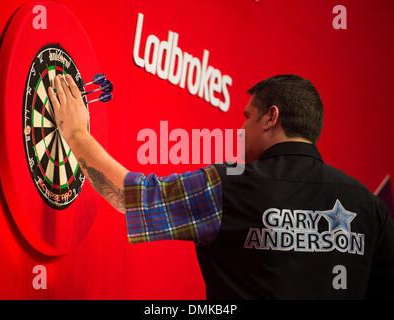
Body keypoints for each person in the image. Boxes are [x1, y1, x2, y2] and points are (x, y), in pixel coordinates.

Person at [48, 73, 394, 299]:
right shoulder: (369, 206)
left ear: (271, 117)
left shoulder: (231, 185)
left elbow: (132, 197)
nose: (240, 130)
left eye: (246, 116)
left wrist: (76, 133)